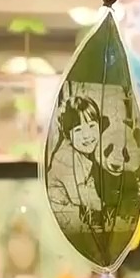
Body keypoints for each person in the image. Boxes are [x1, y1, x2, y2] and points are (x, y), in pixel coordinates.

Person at [46, 93, 107, 231]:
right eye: (78, 130)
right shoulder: (66, 158)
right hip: (59, 211)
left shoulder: (84, 152)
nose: (87, 135)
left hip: (72, 209)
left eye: (92, 126)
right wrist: (104, 205)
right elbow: (78, 195)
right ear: (68, 134)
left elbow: (88, 184)